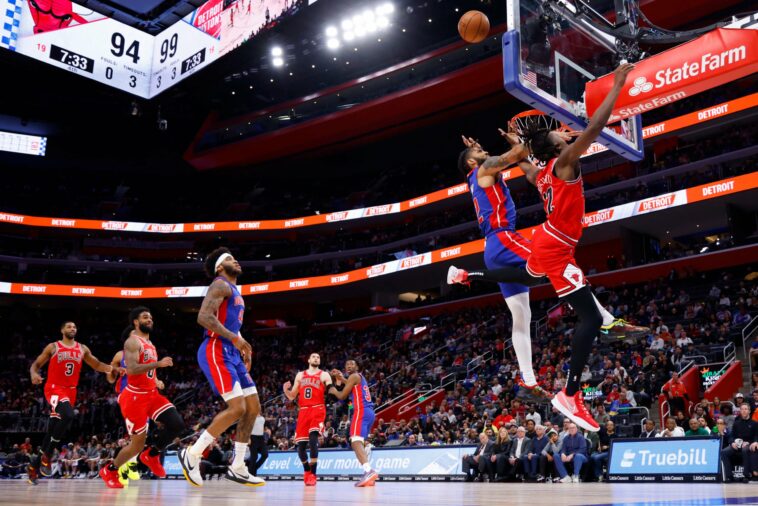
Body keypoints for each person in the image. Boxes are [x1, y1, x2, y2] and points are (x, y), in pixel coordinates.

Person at [456, 62, 644, 431]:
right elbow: (593, 129)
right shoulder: (561, 165)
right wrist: (617, 85)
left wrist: (519, 144)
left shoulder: (541, 172)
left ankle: (468, 274)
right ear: (554, 148)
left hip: (547, 240)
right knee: (588, 316)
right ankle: (570, 394)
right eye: (559, 137)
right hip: (554, 244)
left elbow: (526, 163)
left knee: (526, 277)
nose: (564, 136)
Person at [449, 134, 543, 396]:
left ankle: (528, 379)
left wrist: (478, 149)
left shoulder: (477, 174)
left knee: (522, 317)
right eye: (479, 149)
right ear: (471, 161)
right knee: (552, 261)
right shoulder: (484, 167)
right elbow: (514, 155)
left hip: (493, 247)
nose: (484, 148)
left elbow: (512, 157)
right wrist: (532, 136)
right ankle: (602, 319)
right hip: (504, 237)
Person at [180, 248, 264, 488]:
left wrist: (242, 346)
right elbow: (204, 317)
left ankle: (238, 466)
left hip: (231, 352)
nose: (235, 260)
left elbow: (229, 324)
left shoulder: (236, 291)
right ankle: (193, 453)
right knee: (237, 407)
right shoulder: (219, 284)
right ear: (219, 267)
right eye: (229, 258)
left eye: (235, 257)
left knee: (252, 407)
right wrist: (235, 339)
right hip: (215, 349)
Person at [99, 307, 186, 488]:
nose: (150, 319)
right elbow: (131, 370)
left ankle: (152, 455)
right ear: (136, 322)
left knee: (177, 424)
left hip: (151, 394)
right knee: (136, 446)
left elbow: (147, 369)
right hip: (134, 398)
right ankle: (110, 469)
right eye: (145, 317)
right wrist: (159, 364)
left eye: (151, 317)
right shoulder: (132, 342)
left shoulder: (151, 344)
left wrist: (155, 379)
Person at [27, 321, 114, 484]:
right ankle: (49, 454)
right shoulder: (53, 347)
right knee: (68, 415)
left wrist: (112, 369)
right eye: (69, 327)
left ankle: (33, 467)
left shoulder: (82, 348)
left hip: (71, 391)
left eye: (74, 327)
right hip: (54, 388)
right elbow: (36, 364)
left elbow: (96, 364)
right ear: (62, 330)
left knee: (52, 429)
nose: (72, 329)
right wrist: (33, 374)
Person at [282, 352, 333, 486]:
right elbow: (292, 396)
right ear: (309, 360)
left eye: (318, 357)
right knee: (301, 446)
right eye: (314, 357)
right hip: (303, 410)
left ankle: (314, 475)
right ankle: (306, 470)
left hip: (318, 408)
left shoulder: (324, 374)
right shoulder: (300, 375)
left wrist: (336, 383)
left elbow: (331, 389)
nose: (316, 358)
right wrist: (286, 390)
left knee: (313, 439)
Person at [329, 359, 378, 487]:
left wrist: (333, 390)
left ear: (357, 366)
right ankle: (368, 471)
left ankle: (368, 470)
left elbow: (342, 396)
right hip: (369, 412)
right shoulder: (358, 377)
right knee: (360, 441)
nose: (349, 366)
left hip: (361, 412)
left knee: (355, 441)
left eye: (352, 364)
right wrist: (340, 377)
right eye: (347, 364)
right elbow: (349, 384)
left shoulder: (354, 376)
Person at [105, 349, 140, 486]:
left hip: (142, 392)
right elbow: (110, 378)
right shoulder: (120, 354)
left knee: (141, 432)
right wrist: (115, 370)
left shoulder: (146, 353)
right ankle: (129, 463)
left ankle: (125, 465)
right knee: (139, 431)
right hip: (127, 393)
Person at [721, 403, 758, 483]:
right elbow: (731, 436)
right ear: (740, 411)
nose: (744, 411)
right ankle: (729, 476)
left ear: (749, 411)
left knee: (745, 450)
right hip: (737, 444)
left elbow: (756, 436)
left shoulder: (755, 423)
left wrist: (754, 442)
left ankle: (746, 475)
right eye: (742, 409)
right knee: (724, 452)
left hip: (748, 444)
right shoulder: (736, 423)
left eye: (746, 409)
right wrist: (732, 443)